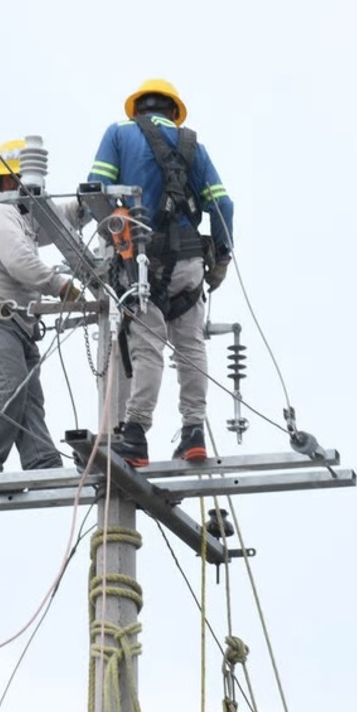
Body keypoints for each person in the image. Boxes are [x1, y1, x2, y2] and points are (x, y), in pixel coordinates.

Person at [88, 78, 234, 467]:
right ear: (173, 111)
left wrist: (109, 238)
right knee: (190, 347)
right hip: (188, 264)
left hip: (141, 260)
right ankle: (193, 433)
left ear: (137, 109)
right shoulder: (193, 146)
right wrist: (220, 259)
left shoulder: (119, 133)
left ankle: (135, 433)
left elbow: (95, 191)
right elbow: (224, 205)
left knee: (146, 346)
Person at [0, 138, 84, 475]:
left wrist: (84, 208)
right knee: (9, 387)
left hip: (11, 325)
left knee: (28, 398)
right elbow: (19, 261)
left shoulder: (17, 217)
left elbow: (52, 224)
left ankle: (41, 460)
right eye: (25, 181)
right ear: (9, 180)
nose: (31, 192)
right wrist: (61, 286)